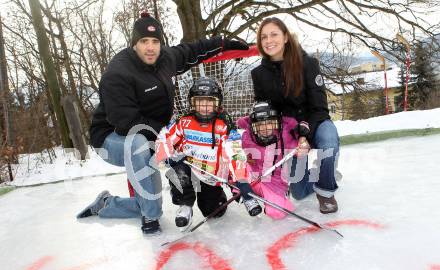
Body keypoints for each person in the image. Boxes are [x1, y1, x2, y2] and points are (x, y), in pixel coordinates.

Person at [76, 12, 249, 234]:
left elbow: (194, 50)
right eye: (144, 42)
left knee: (151, 187)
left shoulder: (164, 58)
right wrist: (172, 134)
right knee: (139, 145)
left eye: (155, 41)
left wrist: (224, 44)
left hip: (149, 132)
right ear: (134, 44)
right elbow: (127, 122)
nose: (150, 47)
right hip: (112, 138)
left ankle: (111, 204)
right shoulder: (118, 73)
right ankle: (150, 217)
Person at [251, 17, 340, 214]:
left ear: (285, 37)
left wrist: (305, 136)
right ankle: (318, 175)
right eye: (264, 36)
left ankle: (326, 192)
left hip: (315, 121)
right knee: (299, 192)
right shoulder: (258, 74)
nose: (269, 40)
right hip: (288, 131)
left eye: (274, 34)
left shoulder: (308, 63)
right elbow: (267, 112)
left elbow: (320, 107)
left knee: (329, 142)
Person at [155, 77, 262, 230]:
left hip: (211, 173)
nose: (204, 107)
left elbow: (235, 152)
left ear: (217, 103)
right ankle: (185, 205)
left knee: (212, 212)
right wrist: (164, 156)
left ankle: (221, 198)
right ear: (192, 102)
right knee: (178, 171)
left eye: (209, 102)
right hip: (189, 166)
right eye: (200, 101)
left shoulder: (224, 123)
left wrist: (242, 180)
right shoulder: (184, 121)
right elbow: (166, 137)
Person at [236, 101, 299, 219]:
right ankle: (247, 195)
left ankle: (274, 197)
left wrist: (302, 147)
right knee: (237, 175)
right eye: (260, 124)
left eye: (269, 123)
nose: (264, 128)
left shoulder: (284, 135)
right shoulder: (247, 137)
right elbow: (242, 158)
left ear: (275, 122)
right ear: (253, 126)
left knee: (277, 213)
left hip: (273, 182)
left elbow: (299, 149)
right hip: (253, 178)